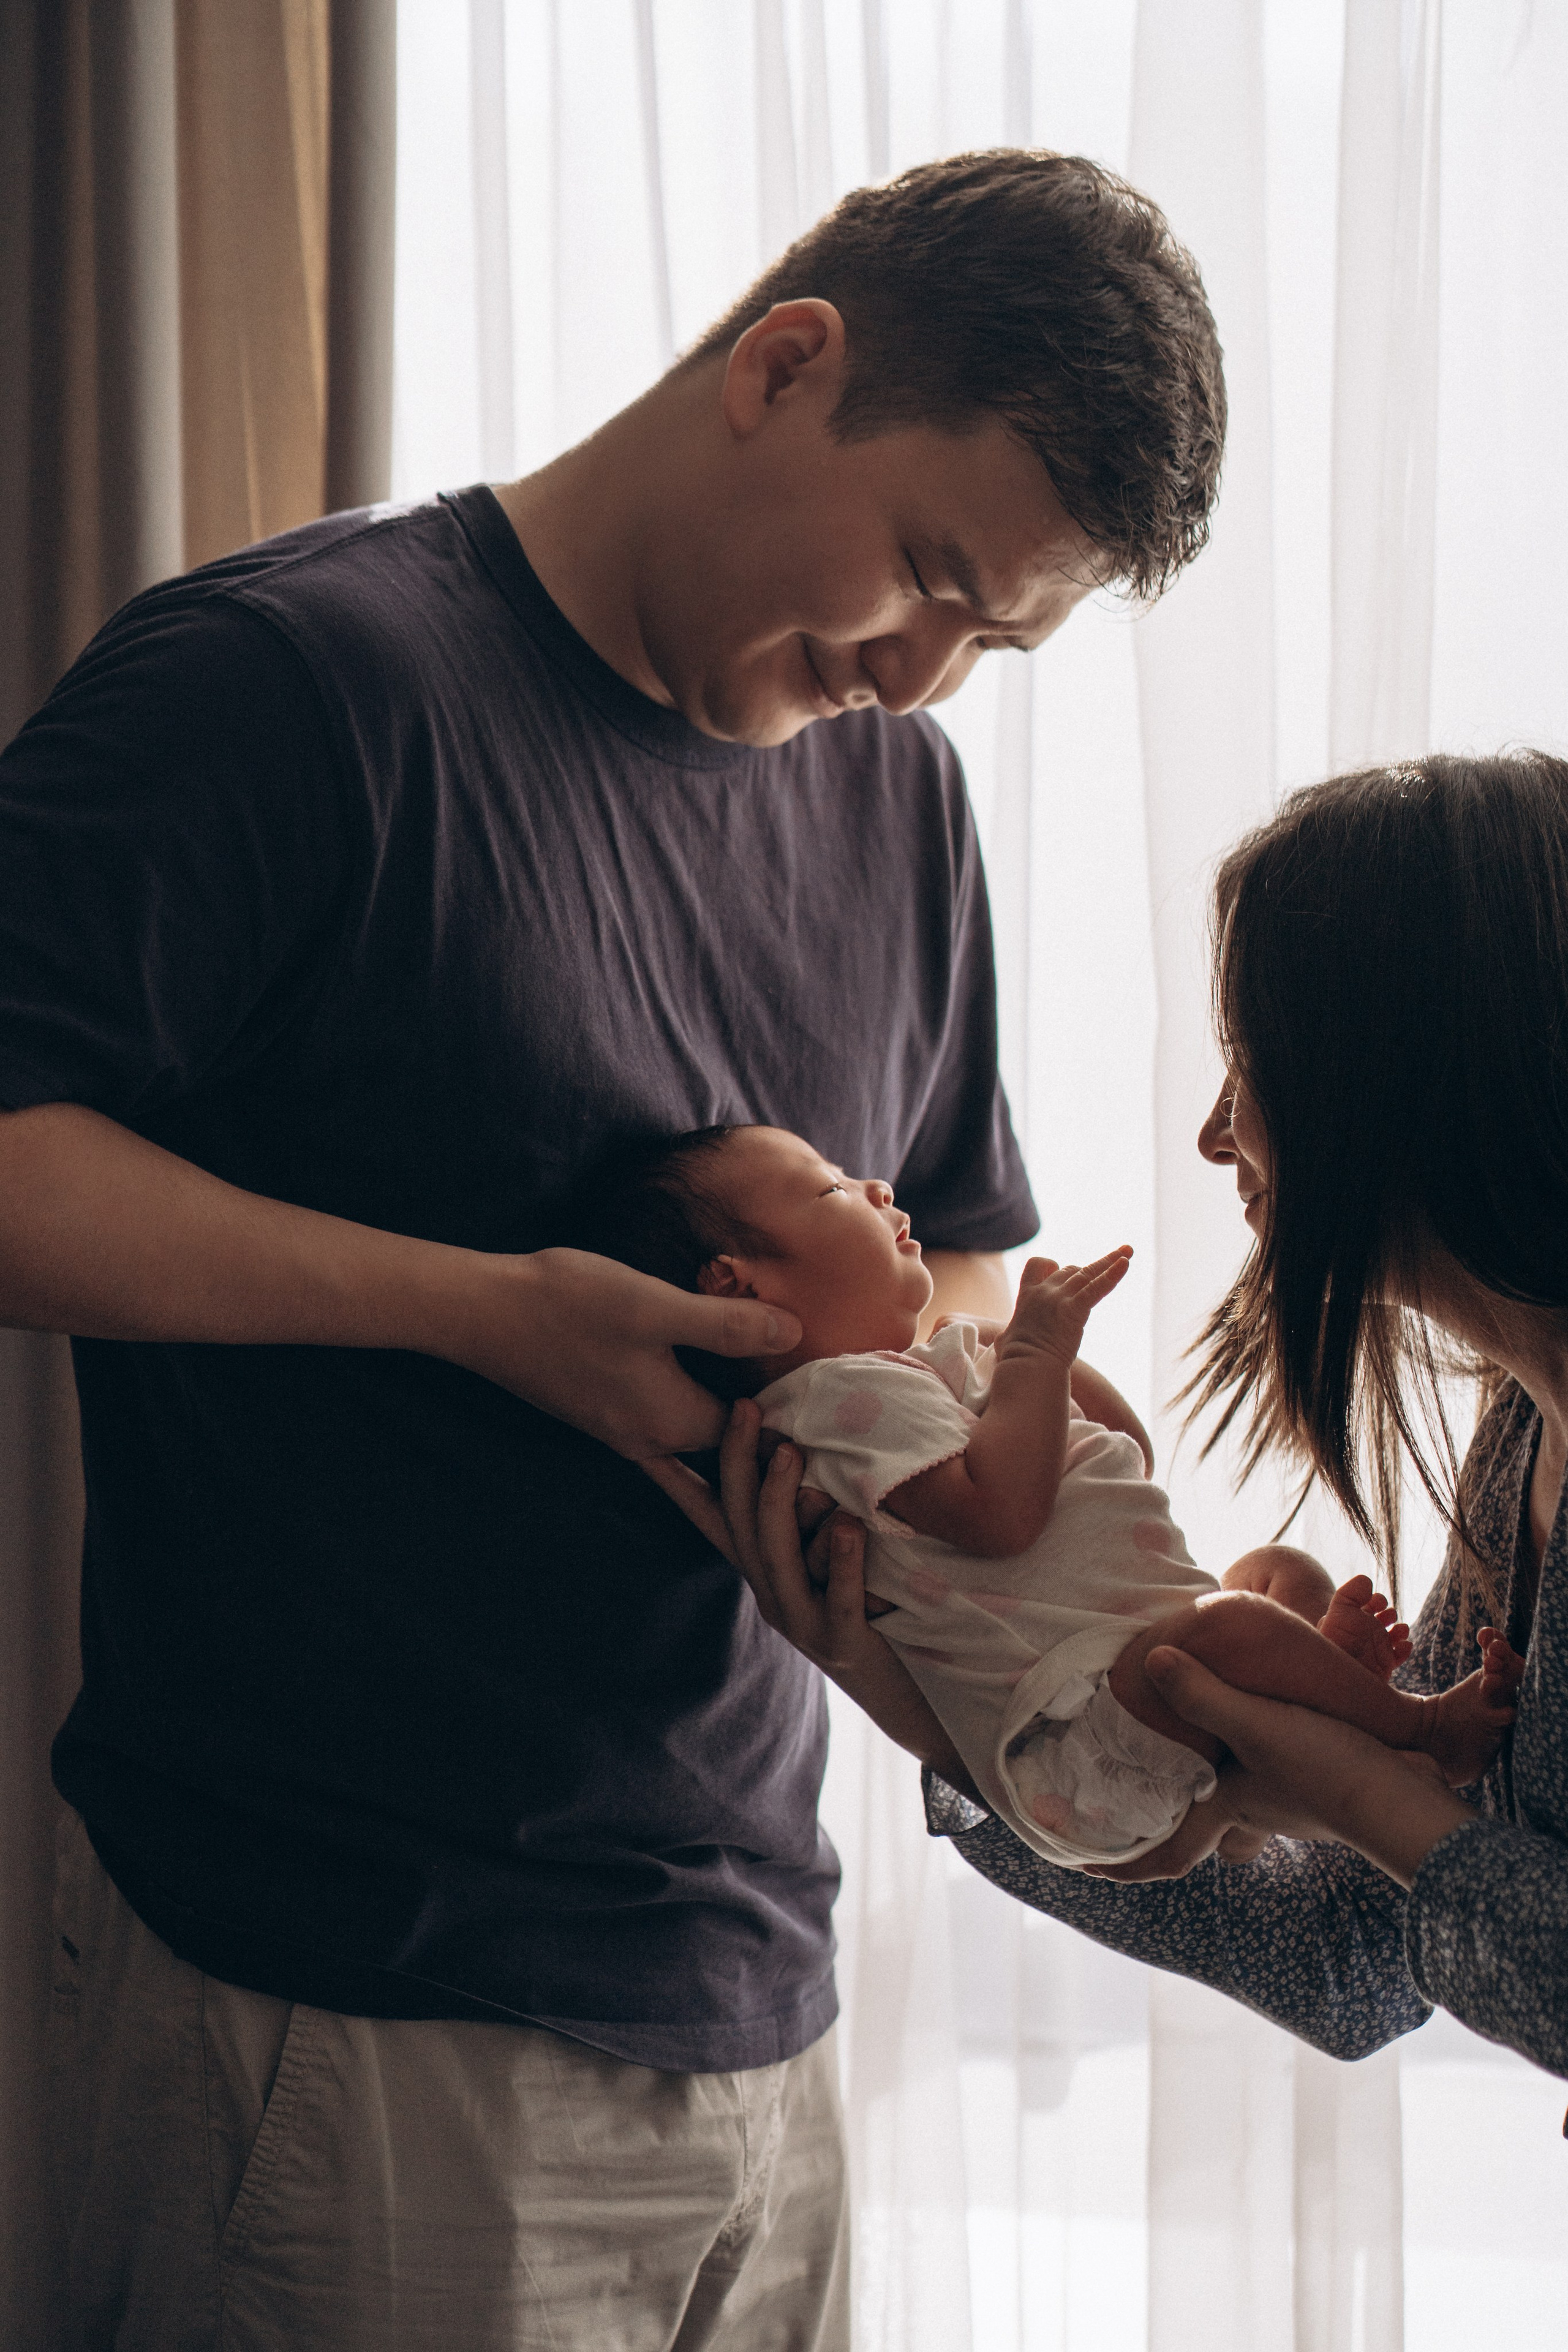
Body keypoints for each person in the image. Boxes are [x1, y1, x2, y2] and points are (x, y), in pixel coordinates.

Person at [3, 153, 1226, 2347]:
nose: (922, 677)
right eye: (930, 576)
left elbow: (947, 1255)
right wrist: (492, 1319)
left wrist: (899, 1419)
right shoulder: (291, 686)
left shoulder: (894, 806)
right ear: (786, 363)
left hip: (763, 1990)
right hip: (347, 2000)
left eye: (996, 641)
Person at [707, 752, 1568, 2080]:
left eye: (1249, 1068)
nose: (1214, 1137)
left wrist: (1346, 1785)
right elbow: (1351, 1955)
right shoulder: (1523, 1435)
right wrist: (945, 1717)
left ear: (1401, 1079)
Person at [598, 1122, 1521, 1874]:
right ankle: (1419, 1729)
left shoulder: (923, 1371)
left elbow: (1125, 1455)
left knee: (1275, 1574)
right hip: (1071, 1738)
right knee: (1232, 1625)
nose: (876, 1187)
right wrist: (1034, 1360)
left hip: (1120, 1680)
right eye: (831, 1188)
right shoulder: (832, 1403)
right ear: (737, 1284)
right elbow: (1001, 1516)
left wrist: (1043, 1360)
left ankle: (1309, 1718)